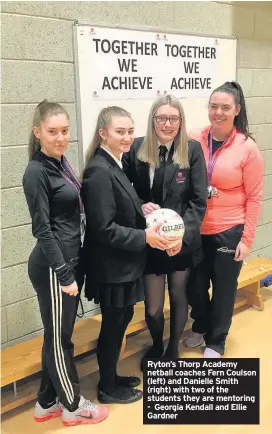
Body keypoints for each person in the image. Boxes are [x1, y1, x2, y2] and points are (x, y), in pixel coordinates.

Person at [23, 100, 108, 426]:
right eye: (52, 131)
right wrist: (64, 274)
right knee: (60, 340)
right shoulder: (36, 171)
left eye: (64, 131)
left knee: (57, 334)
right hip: (52, 267)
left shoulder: (60, 163)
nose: (60, 137)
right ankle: (73, 405)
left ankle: (46, 401)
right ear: (37, 132)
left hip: (69, 262)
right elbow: (42, 229)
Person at [81, 106, 169, 404]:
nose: (128, 137)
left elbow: (119, 206)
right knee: (113, 325)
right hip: (111, 268)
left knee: (121, 319)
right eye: (120, 131)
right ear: (103, 133)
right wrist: (145, 236)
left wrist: (140, 208)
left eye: (131, 131)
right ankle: (107, 387)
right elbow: (104, 229)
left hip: (122, 265)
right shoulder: (98, 171)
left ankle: (112, 376)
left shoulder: (114, 163)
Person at [122, 95, 208, 367]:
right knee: (153, 307)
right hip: (151, 240)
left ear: (180, 121)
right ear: (152, 120)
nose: (167, 124)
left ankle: (173, 349)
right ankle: (157, 343)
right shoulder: (136, 148)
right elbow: (123, 191)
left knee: (179, 296)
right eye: (161, 118)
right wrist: (139, 204)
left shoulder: (191, 150)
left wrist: (182, 236)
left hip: (181, 242)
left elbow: (198, 201)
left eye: (173, 118)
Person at [184, 81, 264, 358]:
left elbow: (255, 196)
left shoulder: (246, 147)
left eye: (225, 107)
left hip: (229, 230)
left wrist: (247, 238)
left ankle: (216, 341)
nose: (218, 112)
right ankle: (201, 325)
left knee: (223, 289)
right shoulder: (194, 136)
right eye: (213, 106)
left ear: (236, 110)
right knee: (194, 286)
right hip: (195, 229)